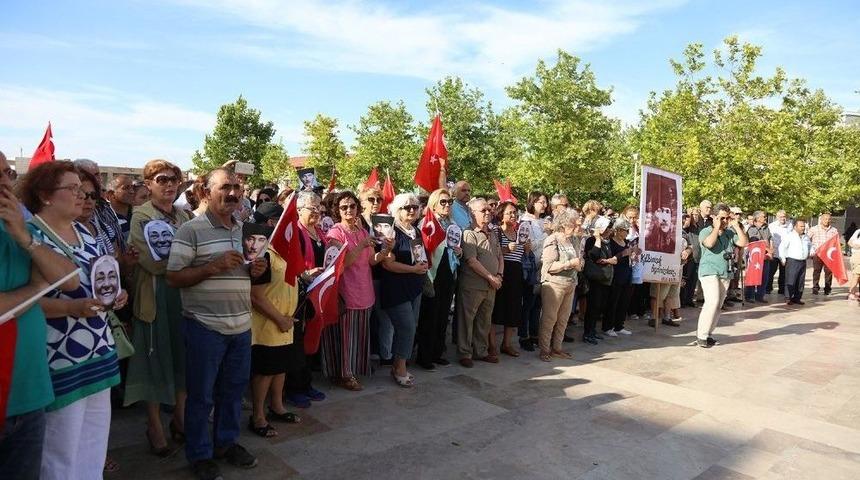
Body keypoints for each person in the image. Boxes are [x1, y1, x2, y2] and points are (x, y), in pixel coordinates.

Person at [18, 161, 128, 479]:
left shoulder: (84, 230)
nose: (82, 195)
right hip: (59, 358)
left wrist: (115, 296)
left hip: (98, 351)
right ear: (45, 195)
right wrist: (69, 309)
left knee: (93, 444)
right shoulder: (30, 236)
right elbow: (24, 301)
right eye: (73, 188)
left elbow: (96, 280)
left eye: (83, 189)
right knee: (59, 453)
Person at [166, 168, 267, 479]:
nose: (233, 193)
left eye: (237, 187)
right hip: (204, 327)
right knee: (201, 395)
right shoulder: (191, 230)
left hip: (240, 326)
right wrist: (213, 267)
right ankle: (199, 454)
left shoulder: (245, 230)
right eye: (225, 187)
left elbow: (249, 274)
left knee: (233, 392)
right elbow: (173, 277)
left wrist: (257, 270)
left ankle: (225, 443)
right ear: (206, 192)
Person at [0, 152, 79, 480]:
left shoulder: (19, 226)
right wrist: (35, 289)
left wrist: (24, 238)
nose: (5, 183)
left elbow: (69, 278)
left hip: (28, 392)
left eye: (6, 173)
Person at [124, 159, 191, 457]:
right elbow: (150, 261)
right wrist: (189, 263)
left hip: (184, 298)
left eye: (173, 179)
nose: (168, 184)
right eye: (161, 179)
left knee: (183, 360)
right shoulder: (140, 215)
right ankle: (154, 426)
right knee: (153, 361)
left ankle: (180, 418)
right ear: (148, 184)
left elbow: (198, 251)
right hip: (154, 298)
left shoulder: (185, 215)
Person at [324, 191, 389, 391]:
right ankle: (344, 373)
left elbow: (371, 260)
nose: (349, 210)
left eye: (352, 206)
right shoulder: (335, 233)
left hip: (365, 291)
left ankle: (354, 369)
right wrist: (361, 245)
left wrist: (386, 250)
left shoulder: (362, 231)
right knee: (345, 337)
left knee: (359, 336)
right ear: (337, 210)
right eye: (344, 207)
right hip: (346, 292)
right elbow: (342, 264)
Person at [248, 202, 301, 438]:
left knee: (281, 369)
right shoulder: (264, 255)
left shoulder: (286, 252)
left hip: (286, 323)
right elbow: (256, 297)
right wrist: (279, 319)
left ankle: (277, 406)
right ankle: (258, 416)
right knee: (266, 371)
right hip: (268, 325)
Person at [379, 193, 427, 386]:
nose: (412, 210)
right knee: (406, 327)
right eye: (406, 207)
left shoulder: (416, 231)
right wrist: (413, 269)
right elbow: (388, 264)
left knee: (410, 326)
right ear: (396, 210)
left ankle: (398, 364)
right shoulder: (391, 232)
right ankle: (400, 367)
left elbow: (419, 255)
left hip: (414, 286)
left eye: (415, 207)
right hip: (396, 287)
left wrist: (421, 266)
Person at [288, 193, 328, 407]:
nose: (316, 212)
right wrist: (305, 273)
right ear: (299, 209)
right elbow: (287, 264)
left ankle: (306, 383)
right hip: (299, 295)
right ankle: (294, 388)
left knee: (312, 337)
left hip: (316, 293)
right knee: (298, 342)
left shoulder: (319, 232)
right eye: (312, 208)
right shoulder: (295, 232)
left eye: (319, 208)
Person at [416, 189, 460, 370]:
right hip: (431, 273)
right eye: (443, 202)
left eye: (449, 202)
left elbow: (455, 245)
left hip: (448, 272)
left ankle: (437, 352)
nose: (447, 205)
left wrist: (459, 251)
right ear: (433, 203)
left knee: (443, 315)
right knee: (430, 316)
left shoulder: (452, 223)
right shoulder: (426, 222)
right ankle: (425, 356)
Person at [456, 198, 503, 367]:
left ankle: (481, 351)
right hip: (473, 285)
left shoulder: (492, 233)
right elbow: (472, 261)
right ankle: (464, 353)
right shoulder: (468, 233)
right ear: (472, 213)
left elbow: (500, 256)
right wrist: (491, 277)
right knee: (467, 320)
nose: (488, 212)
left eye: (489, 210)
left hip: (491, 286)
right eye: (483, 210)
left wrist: (499, 275)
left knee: (484, 320)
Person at [695, 204, 749, 348]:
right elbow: (710, 243)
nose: (725, 221)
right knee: (712, 302)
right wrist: (716, 228)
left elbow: (744, 242)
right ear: (714, 217)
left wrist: (736, 226)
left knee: (718, 305)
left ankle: (709, 334)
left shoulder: (729, 233)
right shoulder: (705, 231)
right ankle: (701, 335)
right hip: (709, 271)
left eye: (726, 218)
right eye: (721, 218)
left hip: (725, 271)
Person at [538, 208, 581, 361]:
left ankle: (557, 348)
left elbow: (580, 262)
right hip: (554, 284)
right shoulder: (552, 239)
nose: (577, 228)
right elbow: (548, 266)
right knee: (550, 318)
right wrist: (570, 263)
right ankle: (544, 349)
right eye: (574, 225)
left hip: (570, 284)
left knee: (563, 319)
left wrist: (578, 264)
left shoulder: (574, 240)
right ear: (564, 224)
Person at [491, 201, 528, 358]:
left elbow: (522, 255)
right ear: (501, 214)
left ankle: (507, 344)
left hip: (516, 273)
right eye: (510, 212)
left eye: (515, 213)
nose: (513, 215)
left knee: (513, 309)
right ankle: (491, 345)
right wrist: (506, 249)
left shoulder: (520, 232)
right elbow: (492, 253)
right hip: (502, 272)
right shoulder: (496, 231)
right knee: (496, 310)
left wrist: (527, 249)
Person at [518, 192, 549, 351]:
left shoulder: (543, 221)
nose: (543, 205)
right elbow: (529, 246)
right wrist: (546, 235)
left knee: (538, 304)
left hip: (543, 267)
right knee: (528, 303)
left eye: (545, 202)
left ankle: (535, 333)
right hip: (531, 267)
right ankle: (524, 335)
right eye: (540, 202)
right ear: (532, 203)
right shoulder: (525, 222)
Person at [582, 216, 614, 344]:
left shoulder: (607, 242)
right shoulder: (591, 240)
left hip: (604, 278)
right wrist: (597, 238)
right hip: (594, 278)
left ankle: (593, 330)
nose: (609, 231)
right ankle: (587, 333)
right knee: (592, 306)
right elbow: (593, 254)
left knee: (599, 306)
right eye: (607, 228)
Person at [604, 218, 636, 337]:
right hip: (616, 276)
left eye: (627, 231)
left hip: (627, 275)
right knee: (613, 302)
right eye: (624, 230)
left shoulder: (626, 242)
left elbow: (629, 256)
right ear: (617, 230)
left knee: (624, 302)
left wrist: (633, 254)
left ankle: (619, 325)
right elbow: (612, 258)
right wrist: (624, 254)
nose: (627, 233)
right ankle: (608, 326)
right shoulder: (611, 243)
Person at [779, 220, 812, 306]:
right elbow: (782, 247)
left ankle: (797, 298)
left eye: (804, 226)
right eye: (801, 226)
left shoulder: (806, 237)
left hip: (802, 261)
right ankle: (788, 297)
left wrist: (811, 251)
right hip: (792, 261)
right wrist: (782, 258)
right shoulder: (790, 236)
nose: (803, 228)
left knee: (800, 281)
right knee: (791, 280)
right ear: (795, 227)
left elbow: (810, 246)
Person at [744, 211, 773, 303]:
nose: (765, 218)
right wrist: (767, 250)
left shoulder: (766, 228)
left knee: (764, 277)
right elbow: (755, 243)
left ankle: (760, 296)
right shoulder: (751, 229)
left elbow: (770, 239)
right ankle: (749, 296)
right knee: (753, 276)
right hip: (755, 257)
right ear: (758, 218)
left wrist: (771, 251)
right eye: (763, 216)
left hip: (766, 257)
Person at [808, 213, 840, 295]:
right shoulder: (814, 229)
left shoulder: (834, 230)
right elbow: (807, 239)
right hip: (817, 254)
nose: (827, 221)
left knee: (829, 273)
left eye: (829, 219)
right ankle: (815, 288)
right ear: (821, 219)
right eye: (825, 219)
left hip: (829, 255)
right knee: (816, 271)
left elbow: (837, 243)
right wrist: (811, 248)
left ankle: (827, 288)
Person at [109, 175, 136, 243]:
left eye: (132, 187)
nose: (132, 191)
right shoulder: (105, 219)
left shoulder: (138, 214)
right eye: (126, 188)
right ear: (111, 194)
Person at [846, 227, 860, 302]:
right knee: (856, 275)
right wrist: (857, 246)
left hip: (855, 256)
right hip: (857, 256)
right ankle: (851, 293)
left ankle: (853, 293)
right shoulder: (858, 231)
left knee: (857, 276)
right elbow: (849, 242)